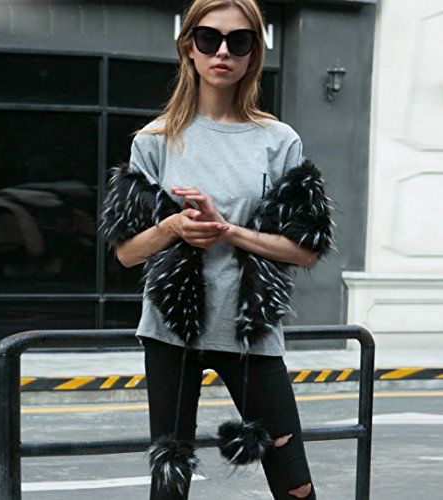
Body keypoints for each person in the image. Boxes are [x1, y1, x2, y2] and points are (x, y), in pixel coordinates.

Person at [101, 0, 333, 498]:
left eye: (239, 40)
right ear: (189, 48)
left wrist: (226, 230)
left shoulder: (278, 141)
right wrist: (175, 227)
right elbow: (126, 253)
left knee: (294, 481)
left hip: (250, 329)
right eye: (209, 39)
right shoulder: (155, 140)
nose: (222, 51)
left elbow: (305, 251)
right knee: (170, 483)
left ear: (254, 54)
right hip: (171, 329)